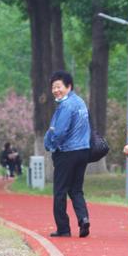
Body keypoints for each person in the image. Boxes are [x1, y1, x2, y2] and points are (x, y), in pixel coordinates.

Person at [44, 70, 91, 238]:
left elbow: (60, 132)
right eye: (53, 87)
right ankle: (83, 218)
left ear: (68, 86)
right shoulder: (80, 103)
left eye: (59, 86)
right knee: (76, 189)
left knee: (60, 191)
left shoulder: (66, 106)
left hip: (67, 152)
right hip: (83, 151)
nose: (56, 90)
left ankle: (63, 228)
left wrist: (50, 144)